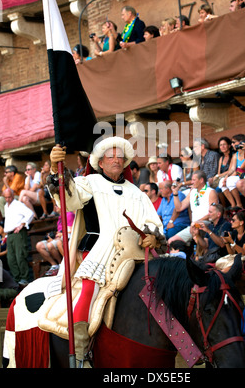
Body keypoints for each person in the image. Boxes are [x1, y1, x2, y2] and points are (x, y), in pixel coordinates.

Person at [47, 136, 165, 367]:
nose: (117, 160)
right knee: (90, 286)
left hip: (133, 252)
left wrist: (153, 236)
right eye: (111, 156)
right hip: (98, 249)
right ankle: (80, 346)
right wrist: (55, 169)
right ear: (100, 162)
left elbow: (152, 223)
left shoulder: (137, 192)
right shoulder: (89, 182)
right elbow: (67, 198)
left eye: (121, 157)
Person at [169, 170, 219, 245]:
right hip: (194, 225)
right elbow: (179, 208)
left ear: (201, 180)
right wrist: (175, 193)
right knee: (171, 241)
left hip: (206, 223)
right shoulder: (192, 192)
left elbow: (214, 213)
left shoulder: (211, 192)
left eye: (194, 180)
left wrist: (197, 221)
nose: (191, 182)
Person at [3, 188, 34, 285]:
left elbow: (30, 213)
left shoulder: (18, 204)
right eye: (6, 197)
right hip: (10, 234)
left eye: (9, 197)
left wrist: (22, 224)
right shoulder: (5, 206)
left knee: (20, 256)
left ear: (12, 196)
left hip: (18, 233)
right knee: (11, 258)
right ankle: (16, 279)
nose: (8, 199)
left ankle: (24, 278)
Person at [36, 206, 75, 276]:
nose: (55, 207)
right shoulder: (60, 217)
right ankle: (54, 265)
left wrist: (61, 234)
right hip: (58, 238)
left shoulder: (69, 215)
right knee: (39, 245)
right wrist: (52, 237)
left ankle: (62, 264)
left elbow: (71, 230)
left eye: (57, 205)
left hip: (65, 238)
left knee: (50, 245)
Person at [219, 134, 245, 209]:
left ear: (241, 142)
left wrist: (228, 178)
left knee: (230, 181)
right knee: (222, 182)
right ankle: (233, 205)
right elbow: (231, 169)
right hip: (239, 176)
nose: (232, 145)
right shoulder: (235, 155)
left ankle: (239, 204)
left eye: (234, 142)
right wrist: (225, 178)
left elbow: (241, 168)